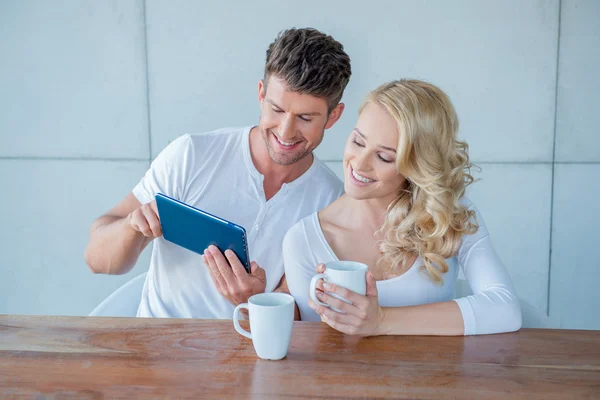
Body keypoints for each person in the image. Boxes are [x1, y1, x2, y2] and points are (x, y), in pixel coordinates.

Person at [84, 28, 351, 318]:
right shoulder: (191, 155)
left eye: (305, 118)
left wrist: (254, 301)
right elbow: (97, 260)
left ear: (333, 116)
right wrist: (132, 228)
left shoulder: (333, 202)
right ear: (261, 94)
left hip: (251, 358)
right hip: (156, 354)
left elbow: (307, 317)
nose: (285, 132)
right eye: (276, 109)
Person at [283, 79, 522, 336]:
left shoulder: (449, 215)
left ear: (417, 165)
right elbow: (312, 346)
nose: (360, 164)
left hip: (437, 375)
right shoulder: (304, 239)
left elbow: (505, 308)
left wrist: (382, 320)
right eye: (358, 142)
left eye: (384, 156)